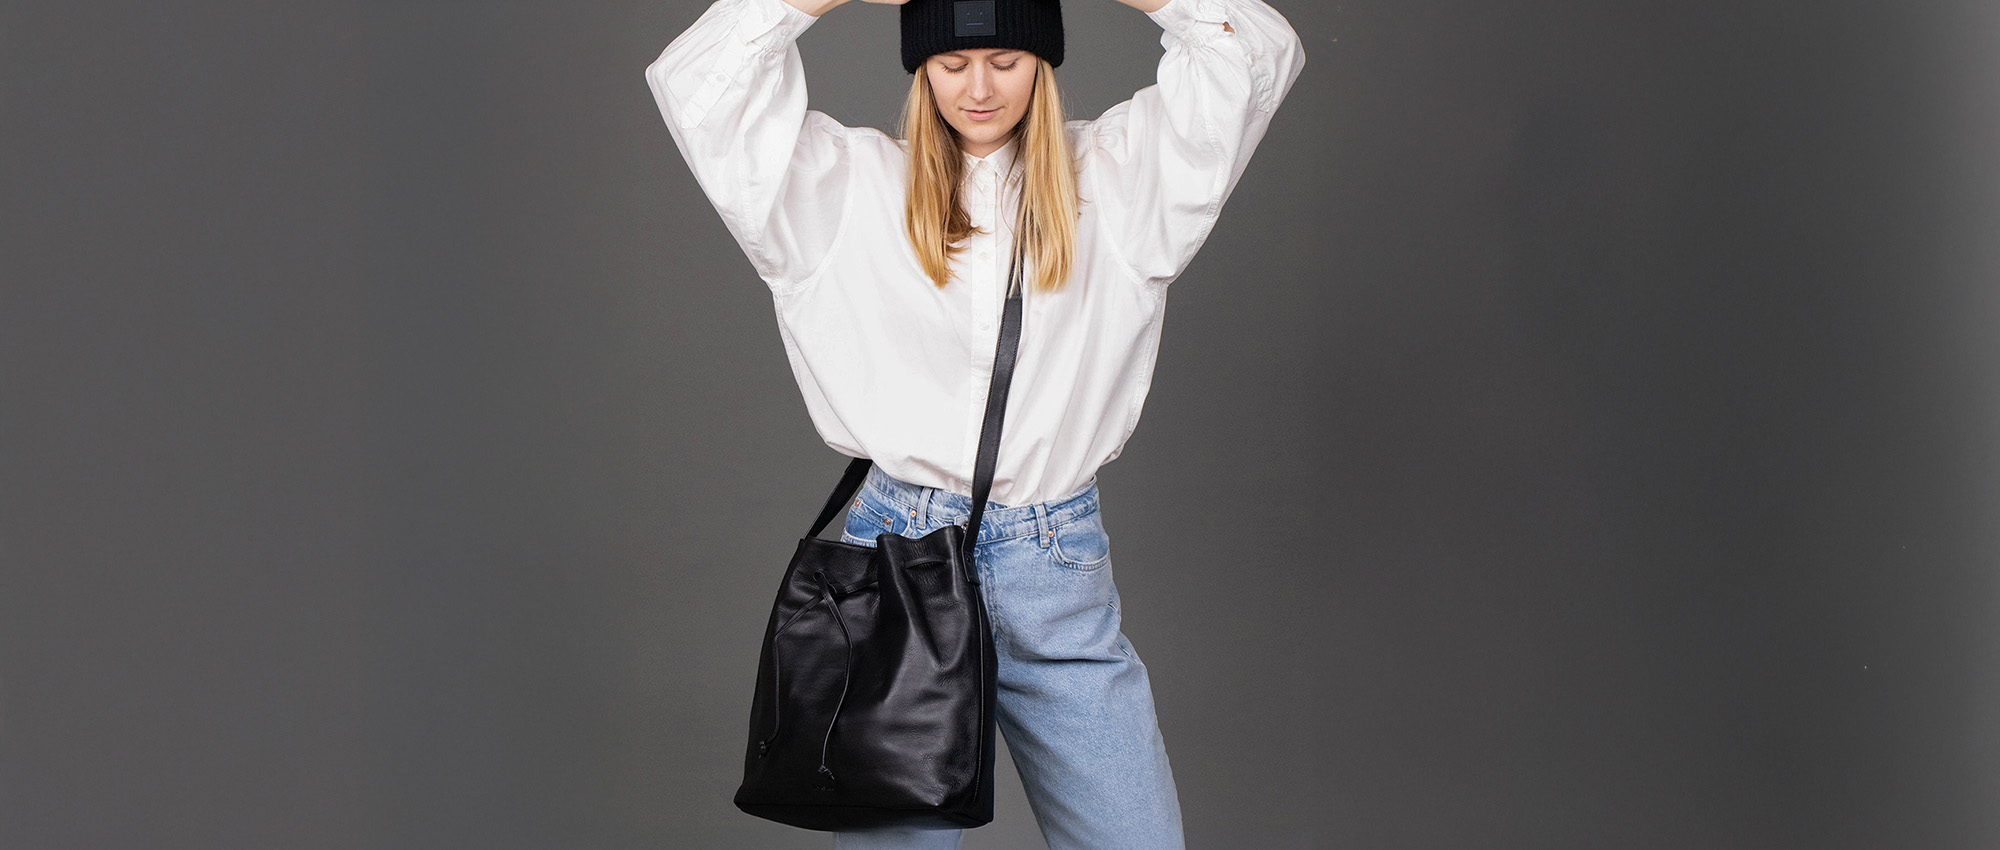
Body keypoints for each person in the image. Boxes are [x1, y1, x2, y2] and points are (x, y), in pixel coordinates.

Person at [645, 0, 1303, 846]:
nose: (981, 88)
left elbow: (1254, 55)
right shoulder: (844, 190)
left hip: (1054, 569)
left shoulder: (1123, 178)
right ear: (920, 71)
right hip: (898, 561)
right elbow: (697, 85)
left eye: (1007, 59)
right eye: (953, 64)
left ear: (1044, 65)